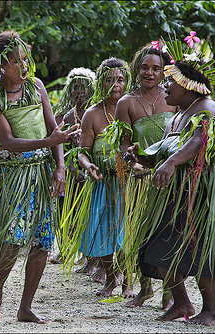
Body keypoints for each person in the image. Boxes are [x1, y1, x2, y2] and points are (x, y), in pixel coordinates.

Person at [124, 35, 215, 326]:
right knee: (155, 246)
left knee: (201, 248)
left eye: (171, 81)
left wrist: (169, 162)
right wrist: (141, 160)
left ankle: (210, 311)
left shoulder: (209, 109)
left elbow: (199, 141)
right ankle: (181, 303)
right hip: (176, 194)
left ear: (189, 85)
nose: (164, 86)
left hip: (203, 196)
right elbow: (164, 152)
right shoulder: (176, 117)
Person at [0, 31, 79, 324]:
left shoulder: (37, 86)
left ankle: (26, 306)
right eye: (16, 61)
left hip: (41, 171)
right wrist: (49, 141)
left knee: (42, 240)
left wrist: (60, 168)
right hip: (12, 173)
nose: (24, 66)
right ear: (1, 65)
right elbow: (9, 141)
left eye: (26, 59)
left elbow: (53, 129)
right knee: (12, 238)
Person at [113, 42, 176, 309]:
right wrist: (132, 160)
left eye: (156, 69)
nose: (149, 73)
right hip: (139, 177)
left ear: (163, 73)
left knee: (170, 231)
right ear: (137, 70)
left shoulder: (173, 99)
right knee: (140, 232)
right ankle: (145, 287)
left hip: (169, 175)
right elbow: (123, 142)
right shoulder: (126, 102)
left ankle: (171, 292)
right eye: (144, 68)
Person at [72, 58, 135, 297]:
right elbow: (82, 151)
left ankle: (128, 282)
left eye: (120, 79)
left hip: (130, 182)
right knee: (103, 231)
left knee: (128, 231)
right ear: (101, 83)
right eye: (109, 80)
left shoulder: (132, 107)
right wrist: (88, 166)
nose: (115, 85)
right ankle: (110, 279)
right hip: (103, 181)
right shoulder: (93, 113)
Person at [49, 67, 96, 270]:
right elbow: (57, 144)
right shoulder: (64, 117)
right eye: (76, 87)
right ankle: (66, 249)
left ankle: (88, 256)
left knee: (88, 213)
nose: (80, 91)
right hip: (69, 172)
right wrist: (69, 169)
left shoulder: (97, 113)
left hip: (90, 169)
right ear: (69, 89)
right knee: (65, 210)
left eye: (84, 87)